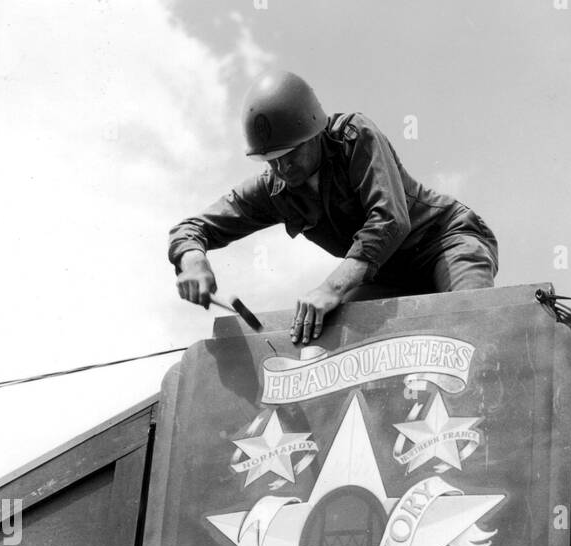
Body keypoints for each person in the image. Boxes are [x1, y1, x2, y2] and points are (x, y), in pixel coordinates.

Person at [169, 69, 499, 345]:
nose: (282, 169)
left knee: (472, 327)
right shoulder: (274, 189)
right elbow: (193, 228)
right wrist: (193, 259)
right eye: (272, 161)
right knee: (334, 341)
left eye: (290, 154)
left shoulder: (355, 137)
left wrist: (331, 288)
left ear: (315, 132)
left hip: (446, 243)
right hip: (388, 275)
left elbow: (390, 221)